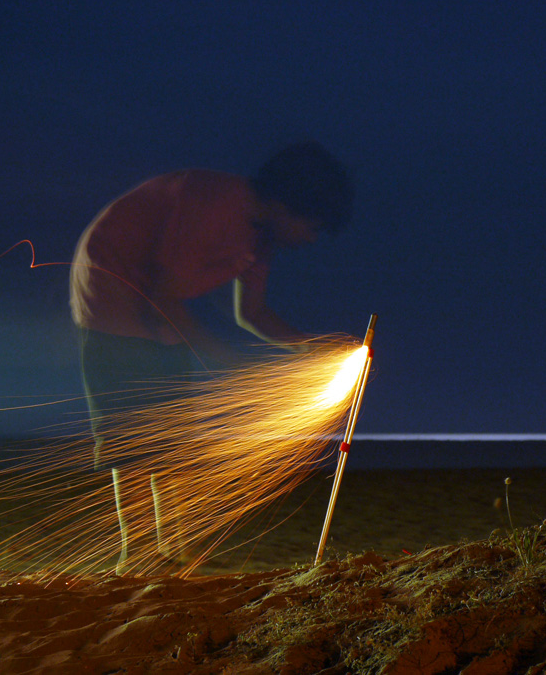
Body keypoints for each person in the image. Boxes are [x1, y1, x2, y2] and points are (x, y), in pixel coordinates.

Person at [69, 141, 353, 574]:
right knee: (133, 433)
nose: (312, 239)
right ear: (287, 204)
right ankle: (138, 557)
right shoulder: (217, 206)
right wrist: (227, 363)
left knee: (174, 433)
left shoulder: (261, 237)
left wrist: (311, 345)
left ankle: (175, 551)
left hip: (158, 299)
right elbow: (164, 298)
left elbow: (251, 313)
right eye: (312, 226)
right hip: (111, 286)